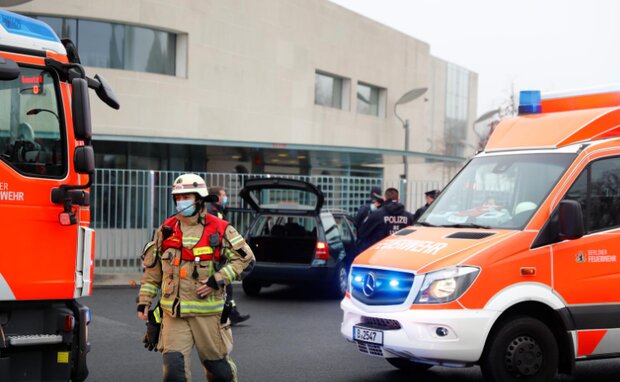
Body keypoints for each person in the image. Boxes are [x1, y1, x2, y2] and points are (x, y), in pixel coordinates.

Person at [137, 173, 255, 382]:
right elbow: (153, 270)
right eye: (178, 197)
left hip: (208, 316)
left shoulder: (220, 229)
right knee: (173, 372)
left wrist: (217, 279)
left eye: (187, 197)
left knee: (219, 372)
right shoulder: (166, 230)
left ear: (200, 199)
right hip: (174, 315)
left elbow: (246, 260)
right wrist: (144, 301)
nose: (181, 201)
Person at [208, 186, 251, 326]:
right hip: (215, 256)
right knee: (224, 286)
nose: (225, 197)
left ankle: (231, 315)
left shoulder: (216, 210)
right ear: (217, 197)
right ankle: (227, 317)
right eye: (223, 194)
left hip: (220, 255)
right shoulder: (213, 211)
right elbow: (219, 234)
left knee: (226, 286)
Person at [357, 188, 414, 253]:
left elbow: (362, 232)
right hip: (400, 252)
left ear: (385, 199)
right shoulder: (409, 216)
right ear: (398, 199)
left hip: (379, 253)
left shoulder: (376, 214)